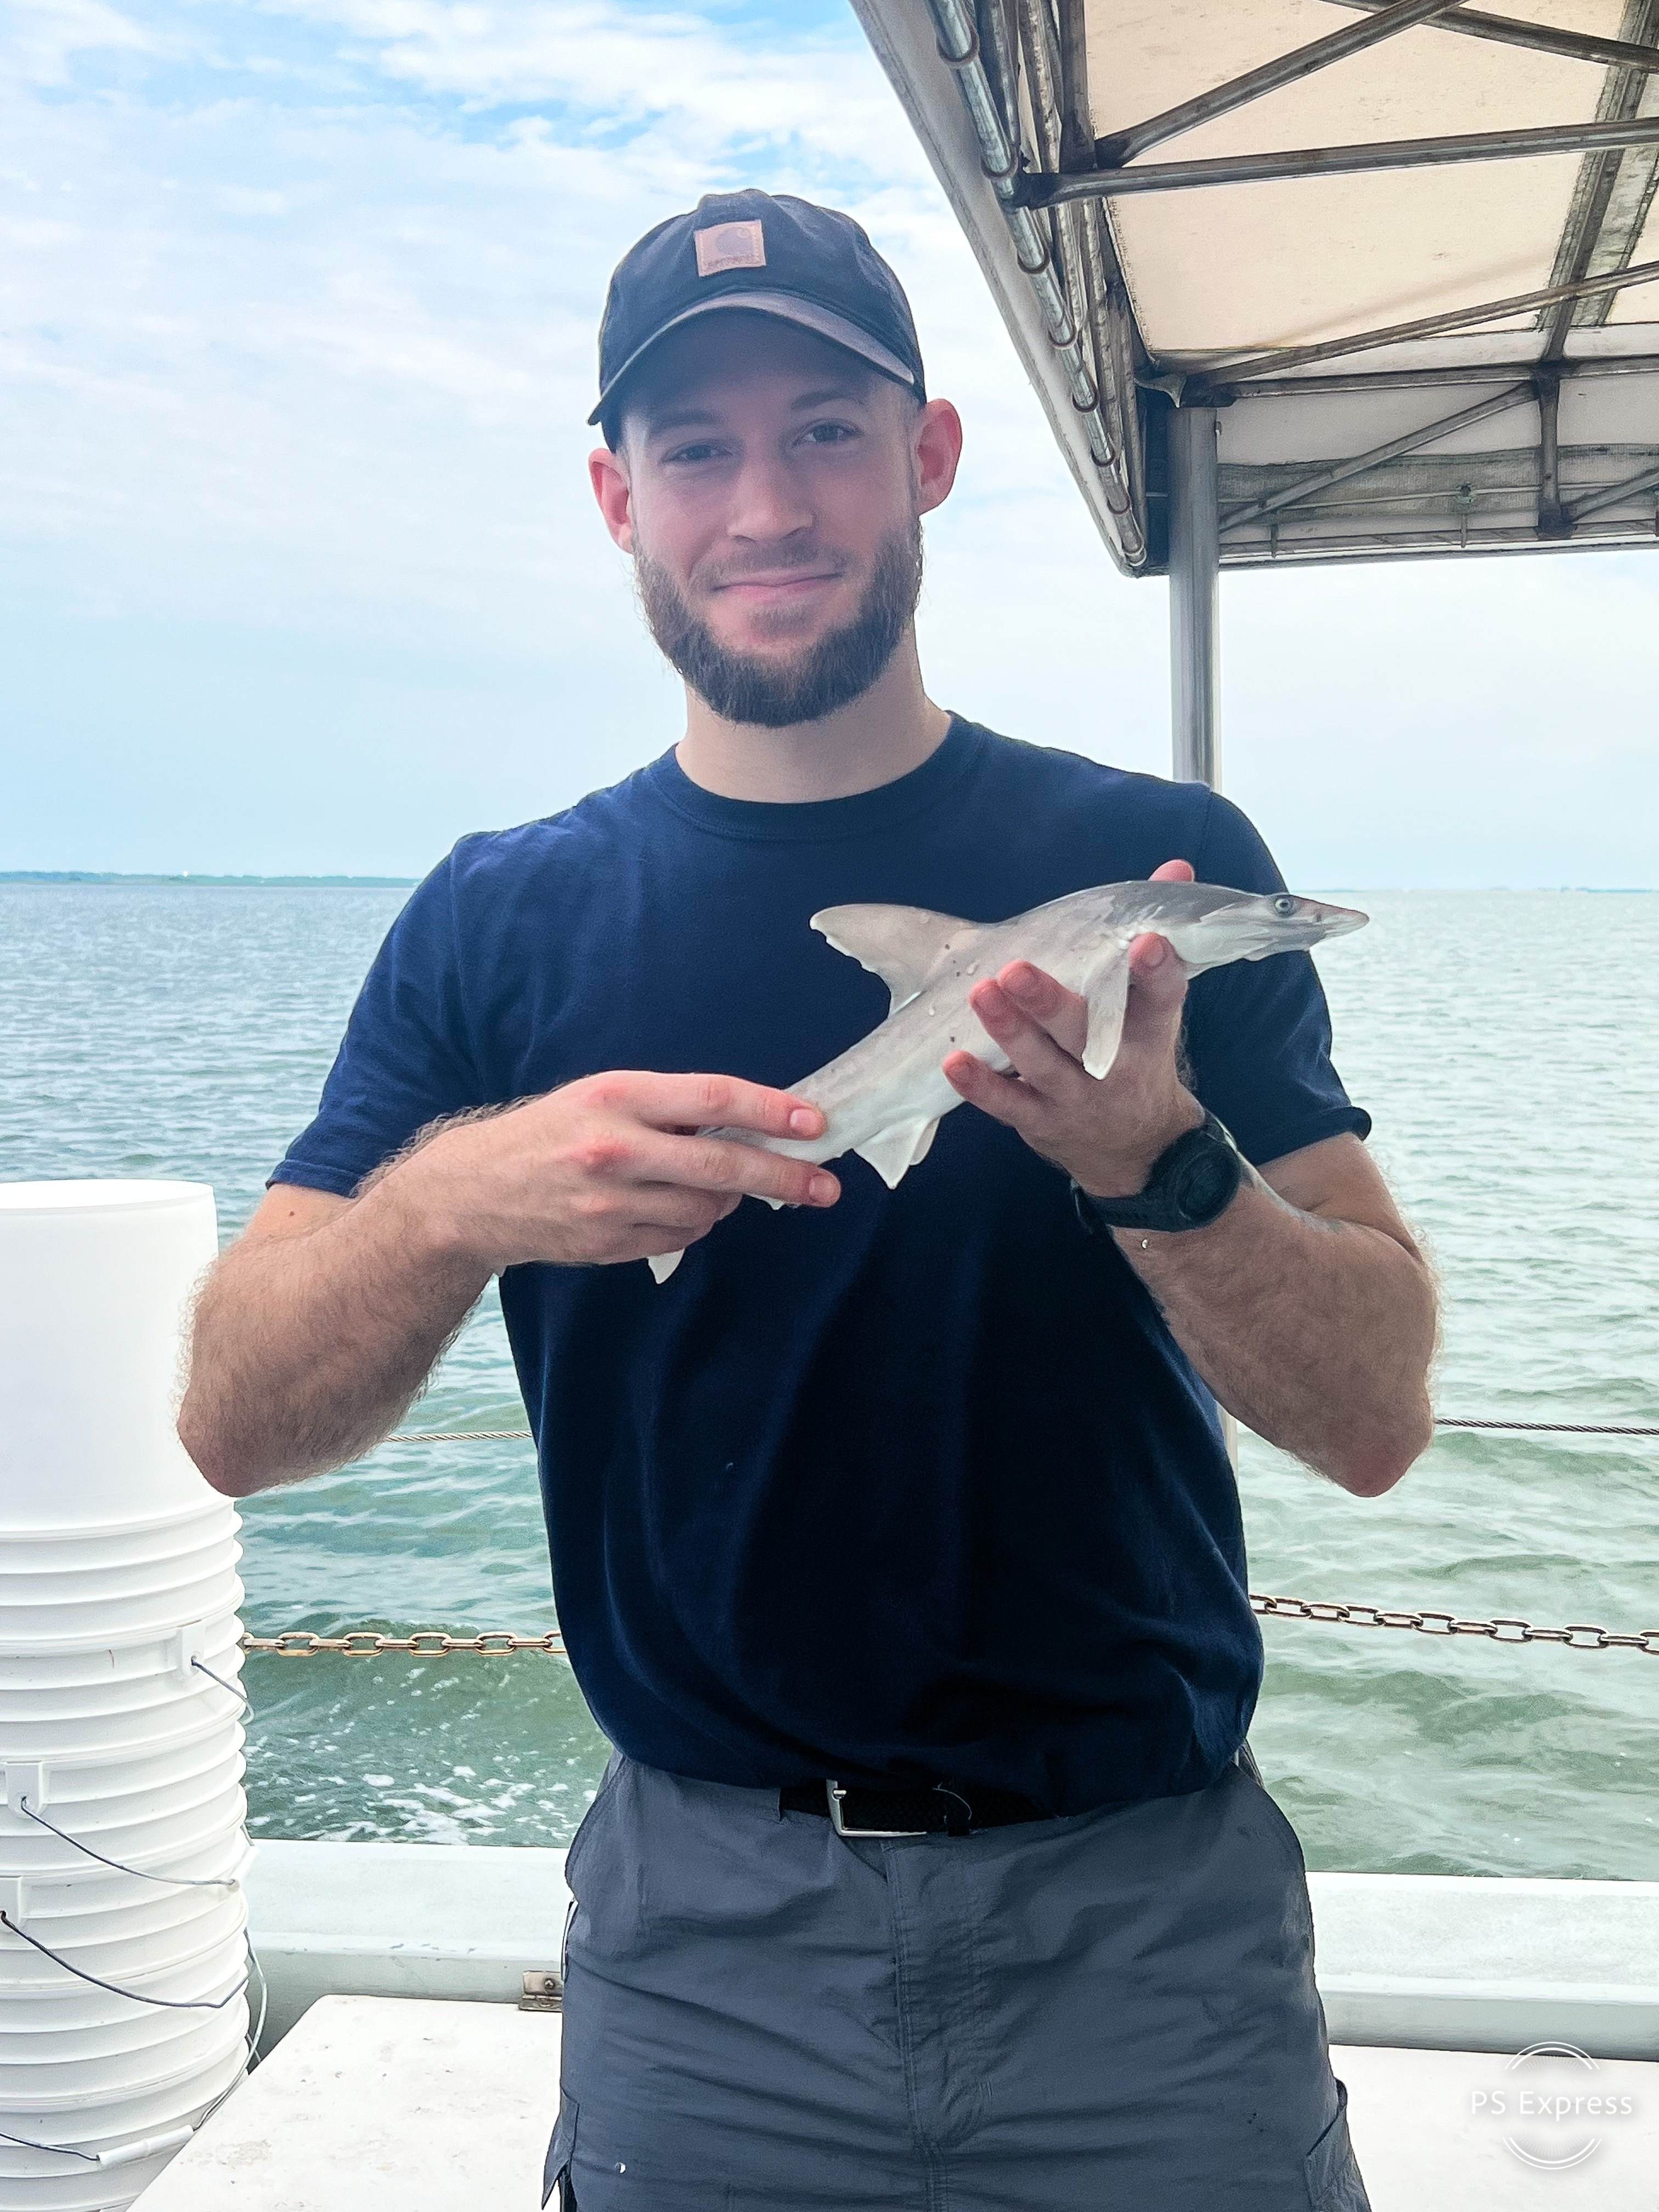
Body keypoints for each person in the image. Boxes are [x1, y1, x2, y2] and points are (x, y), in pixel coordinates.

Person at [179, 188, 1436, 2211]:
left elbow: (1376, 1417)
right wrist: (448, 1205)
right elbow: (234, 1425)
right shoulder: (499, 918)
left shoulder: (1160, 865)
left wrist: (1161, 1164)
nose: (766, 501)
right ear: (617, 496)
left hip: (1147, 1930)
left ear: (929, 455)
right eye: (697, 446)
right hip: (705, 1950)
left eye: (827, 430)